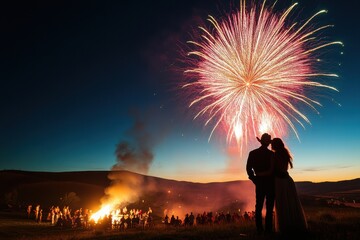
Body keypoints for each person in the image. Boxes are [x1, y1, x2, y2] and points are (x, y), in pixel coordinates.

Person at [270, 138, 307, 236]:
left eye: (272, 144)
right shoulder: (285, 153)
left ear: (274, 145)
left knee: (282, 203)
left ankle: (285, 226)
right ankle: (294, 224)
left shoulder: (274, 155)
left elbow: (273, 169)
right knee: (291, 203)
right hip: (288, 180)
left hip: (279, 181)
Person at [246, 133, 275, 234]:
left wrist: (254, 179)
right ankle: (268, 229)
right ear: (268, 143)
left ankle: (259, 229)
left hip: (260, 181)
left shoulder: (253, 153)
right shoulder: (271, 154)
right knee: (269, 206)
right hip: (270, 182)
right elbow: (274, 170)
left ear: (261, 141)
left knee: (258, 206)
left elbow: (248, 168)